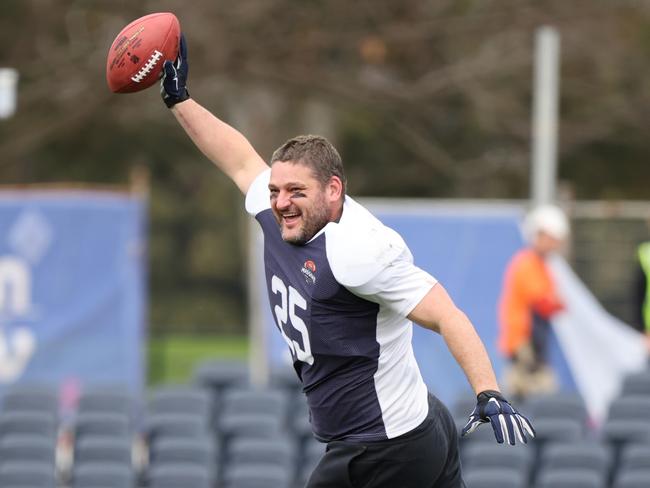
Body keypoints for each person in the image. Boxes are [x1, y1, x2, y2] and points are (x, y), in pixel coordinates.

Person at [158, 36, 534, 488]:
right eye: (276, 190)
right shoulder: (276, 209)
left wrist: (487, 390)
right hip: (405, 428)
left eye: (297, 192)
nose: (280, 202)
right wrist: (179, 100)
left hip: (385, 448)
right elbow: (238, 159)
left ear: (333, 190)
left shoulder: (359, 251)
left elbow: (446, 315)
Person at [497, 204, 569, 400]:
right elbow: (543, 301)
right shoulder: (528, 264)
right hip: (524, 345)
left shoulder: (540, 265)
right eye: (551, 238)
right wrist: (559, 303)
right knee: (533, 394)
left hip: (532, 343)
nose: (555, 244)